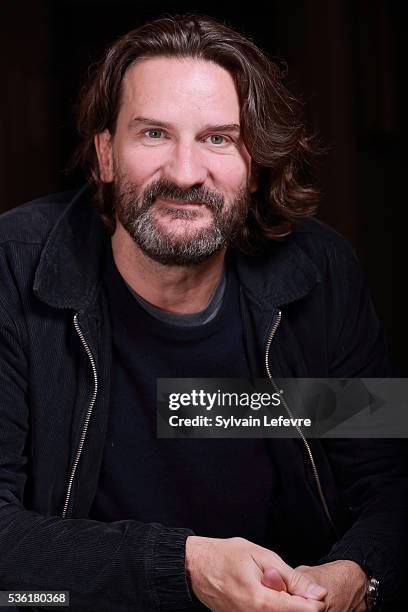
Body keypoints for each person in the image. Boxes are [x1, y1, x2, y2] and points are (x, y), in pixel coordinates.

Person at [0, 13, 406, 612]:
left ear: (255, 162)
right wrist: (184, 566)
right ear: (106, 155)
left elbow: (391, 480)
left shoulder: (316, 274)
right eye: (154, 134)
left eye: (218, 137)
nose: (186, 174)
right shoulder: (14, 266)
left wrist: (356, 578)